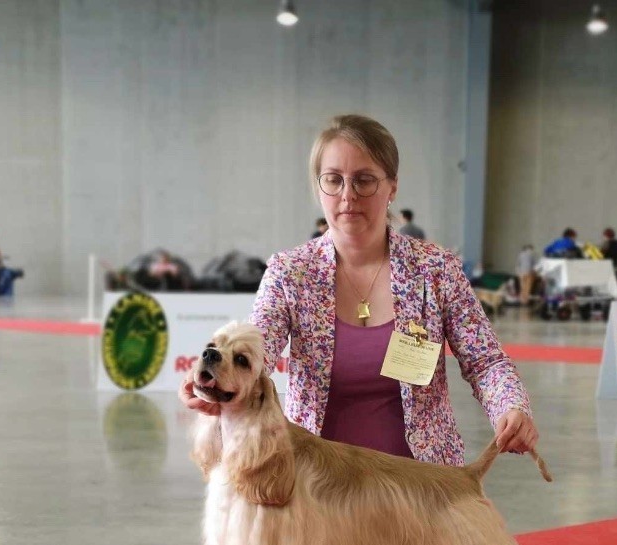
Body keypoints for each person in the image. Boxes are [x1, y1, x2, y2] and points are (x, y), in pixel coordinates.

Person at [180, 114, 538, 464]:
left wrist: (511, 406)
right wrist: (214, 382)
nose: (348, 195)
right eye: (333, 180)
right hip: (316, 486)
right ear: (318, 187)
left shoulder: (435, 269)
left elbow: (485, 361)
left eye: (364, 180)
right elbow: (258, 350)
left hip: (423, 485)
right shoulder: (289, 273)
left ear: (392, 187)